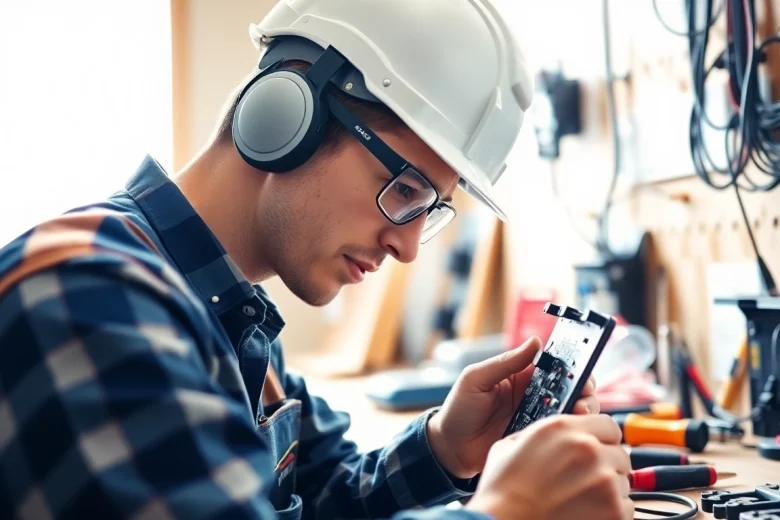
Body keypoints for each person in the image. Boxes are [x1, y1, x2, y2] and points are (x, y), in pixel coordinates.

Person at [0, 1, 633, 519]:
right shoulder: (86, 295)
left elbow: (326, 497)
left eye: (428, 210)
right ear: (289, 115)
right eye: (405, 190)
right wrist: (506, 511)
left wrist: (445, 450)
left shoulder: (230, 317)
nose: (408, 247)